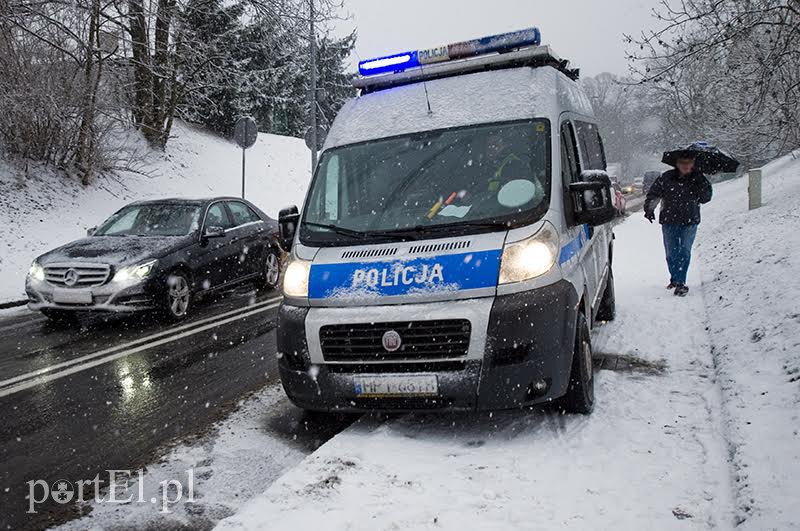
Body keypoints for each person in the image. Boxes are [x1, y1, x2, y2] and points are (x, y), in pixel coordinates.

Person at [644, 153, 712, 297]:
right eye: (682, 162)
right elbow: (654, 194)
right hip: (669, 220)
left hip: (690, 220)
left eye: (689, 162)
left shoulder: (698, 179)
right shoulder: (666, 178)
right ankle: (675, 278)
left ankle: (681, 283)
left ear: (693, 163)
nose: (686, 165)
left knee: (684, 251)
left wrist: (700, 182)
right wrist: (649, 209)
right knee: (671, 253)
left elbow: (706, 198)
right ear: (677, 164)